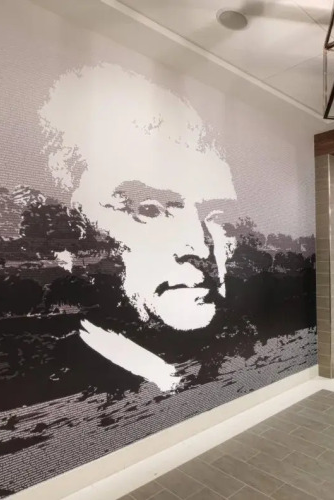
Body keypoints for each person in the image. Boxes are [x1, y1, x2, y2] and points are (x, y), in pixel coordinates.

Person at [38, 63, 237, 391]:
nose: (201, 248)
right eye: (150, 210)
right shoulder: (55, 390)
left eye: (216, 218)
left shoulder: (244, 361)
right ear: (71, 236)